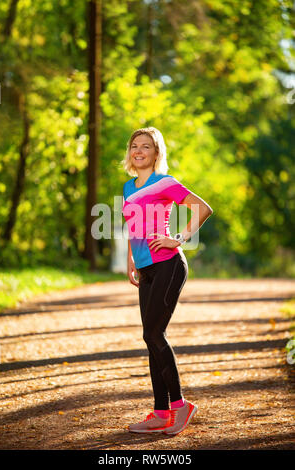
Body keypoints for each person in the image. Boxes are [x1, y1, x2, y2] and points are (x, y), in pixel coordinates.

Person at [122, 127, 213, 435]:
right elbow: (133, 226)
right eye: (135, 146)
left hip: (168, 265)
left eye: (145, 146)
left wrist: (178, 238)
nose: (139, 151)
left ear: (156, 153)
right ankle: (161, 412)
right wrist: (131, 260)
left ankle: (179, 405)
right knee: (150, 338)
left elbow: (203, 209)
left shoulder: (165, 182)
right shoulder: (128, 186)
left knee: (154, 333)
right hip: (146, 268)